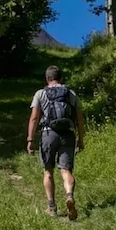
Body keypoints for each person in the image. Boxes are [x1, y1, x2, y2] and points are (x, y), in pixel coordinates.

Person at [27, 66, 85, 219]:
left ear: (47, 79)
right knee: (66, 171)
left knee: (48, 171)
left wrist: (30, 139)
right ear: (61, 78)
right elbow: (79, 119)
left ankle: (52, 207)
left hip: (48, 134)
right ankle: (69, 195)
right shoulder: (70, 93)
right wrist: (81, 138)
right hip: (68, 134)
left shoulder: (40, 93)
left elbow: (34, 117)